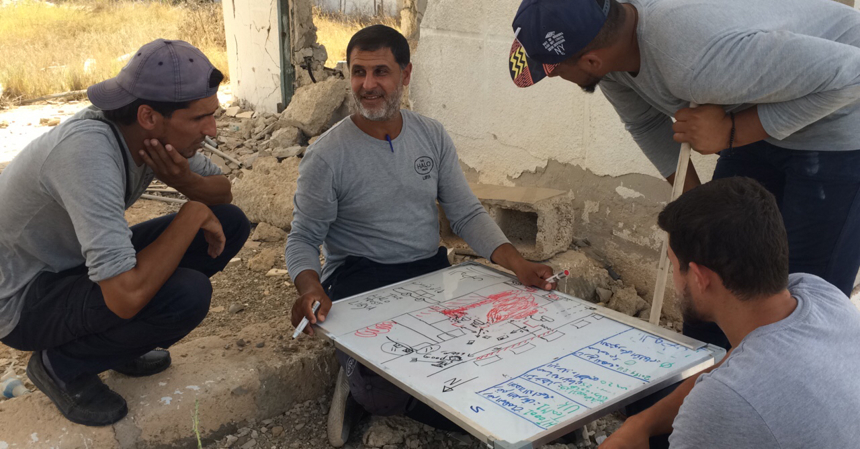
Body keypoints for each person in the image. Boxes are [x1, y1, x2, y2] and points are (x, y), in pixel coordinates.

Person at [508, 0, 860, 349]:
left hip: (839, 125)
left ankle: (790, 376)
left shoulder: (692, 59)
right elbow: (646, 124)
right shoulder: (609, 38)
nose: (558, 77)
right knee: (712, 260)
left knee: (805, 296)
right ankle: (709, 376)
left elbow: (852, 74)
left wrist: (734, 131)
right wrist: (696, 218)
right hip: (762, 116)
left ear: (591, 60)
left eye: (554, 70)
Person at [286, 25, 556, 446]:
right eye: (358, 72)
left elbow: (466, 213)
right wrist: (310, 287)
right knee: (381, 390)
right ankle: (355, 377)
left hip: (430, 273)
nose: (368, 85)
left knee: (503, 340)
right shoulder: (326, 155)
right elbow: (303, 237)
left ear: (406, 75)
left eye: (381, 72)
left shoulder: (431, 135)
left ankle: (511, 416)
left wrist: (518, 265)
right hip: (361, 279)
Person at [0, 39, 250, 426]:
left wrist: (186, 181)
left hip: (72, 266)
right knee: (186, 295)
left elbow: (222, 191)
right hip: (23, 300)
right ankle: (61, 365)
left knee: (229, 222)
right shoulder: (88, 152)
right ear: (148, 115)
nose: (212, 129)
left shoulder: (146, 136)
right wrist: (190, 214)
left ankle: (117, 345)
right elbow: (125, 295)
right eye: (199, 118)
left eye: (212, 115)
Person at [600, 177, 860, 448]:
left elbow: (724, 395)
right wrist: (642, 423)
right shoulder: (818, 293)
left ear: (700, 278)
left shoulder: (722, 405)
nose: (674, 278)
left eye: (674, 265)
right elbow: (729, 365)